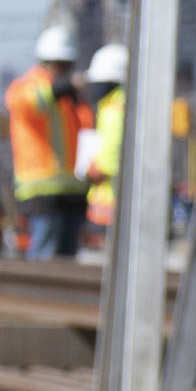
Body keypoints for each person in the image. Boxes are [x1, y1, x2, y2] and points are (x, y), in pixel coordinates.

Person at [6, 20, 96, 260]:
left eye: (67, 65)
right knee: (44, 254)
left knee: (68, 259)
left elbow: (87, 130)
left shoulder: (71, 98)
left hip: (73, 188)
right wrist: (65, 87)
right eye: (59, 65)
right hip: (41, 188)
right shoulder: (26, 86)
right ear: (45, 62)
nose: (63, 70)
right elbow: (31, 102)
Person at [83, 41, 129, 244]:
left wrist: (95, 169)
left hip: (111, 201)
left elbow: (110, 155)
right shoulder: (127, 103)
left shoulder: (113, 108)